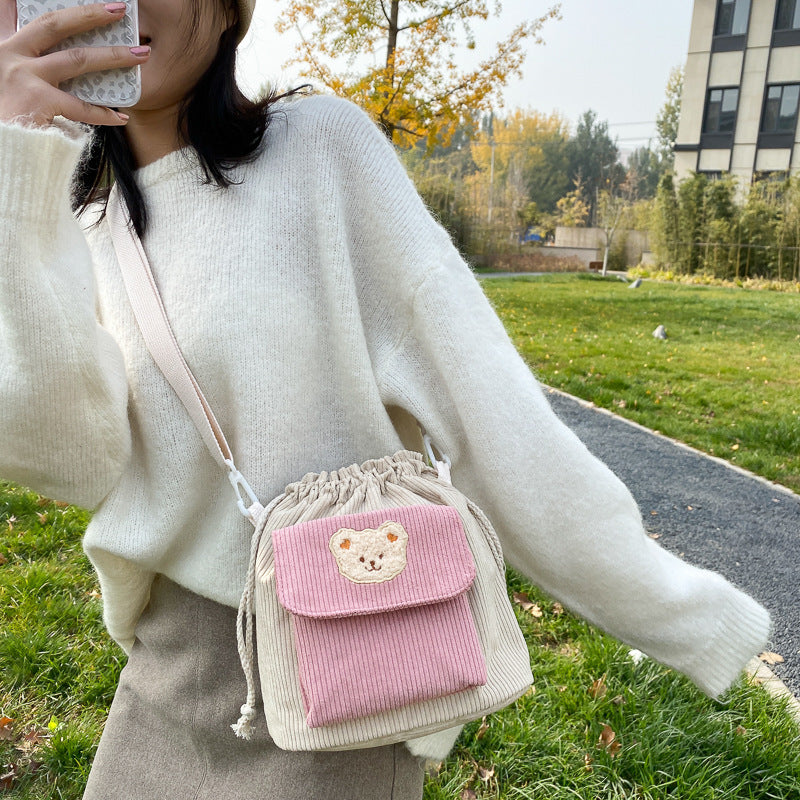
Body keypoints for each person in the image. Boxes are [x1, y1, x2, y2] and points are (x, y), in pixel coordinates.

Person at [0, 1, 773, 798]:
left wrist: (681, 612)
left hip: (349, 661)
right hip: (166, 676)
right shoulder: (67, 216)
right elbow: (71, 459)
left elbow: (492, 415)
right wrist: (19, 161)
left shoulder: (320, 153)